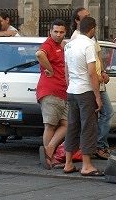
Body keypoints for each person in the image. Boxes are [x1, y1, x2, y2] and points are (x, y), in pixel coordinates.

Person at [71, 7, 114, 159]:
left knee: (100, 116)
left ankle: (97, 146)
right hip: (88, 85)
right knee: (100, 115)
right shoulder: (77, 39)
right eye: (85, 17)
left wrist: (102, 71)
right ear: (77, 21)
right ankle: (95, 147)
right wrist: (97, 81)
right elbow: (86, 68)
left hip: (95, 82)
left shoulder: (91, 38)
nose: (89, 19)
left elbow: (97, 56)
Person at [63, 16, 104, 176]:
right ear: (92, 29)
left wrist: (69, 86)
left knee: (72, 126)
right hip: (85, 90)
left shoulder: (69, 45)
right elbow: (92, 73)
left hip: (72, 89)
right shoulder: (89, 44)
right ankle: (86, 165)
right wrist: (97, 97)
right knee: (88, 126)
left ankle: (68, 163)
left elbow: (66, 71)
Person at [36, 19, 68, 169]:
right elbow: (39, 54)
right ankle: (49, 158)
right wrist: (50, 69)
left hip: (61, 92)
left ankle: (49, 149)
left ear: (65, 32)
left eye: (61, 32)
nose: (58, 34)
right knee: (50, 125)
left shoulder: (60, 46)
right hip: (50, 91)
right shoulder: (48, 44)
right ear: (50, 31)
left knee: (67, 124)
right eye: (55, 31)